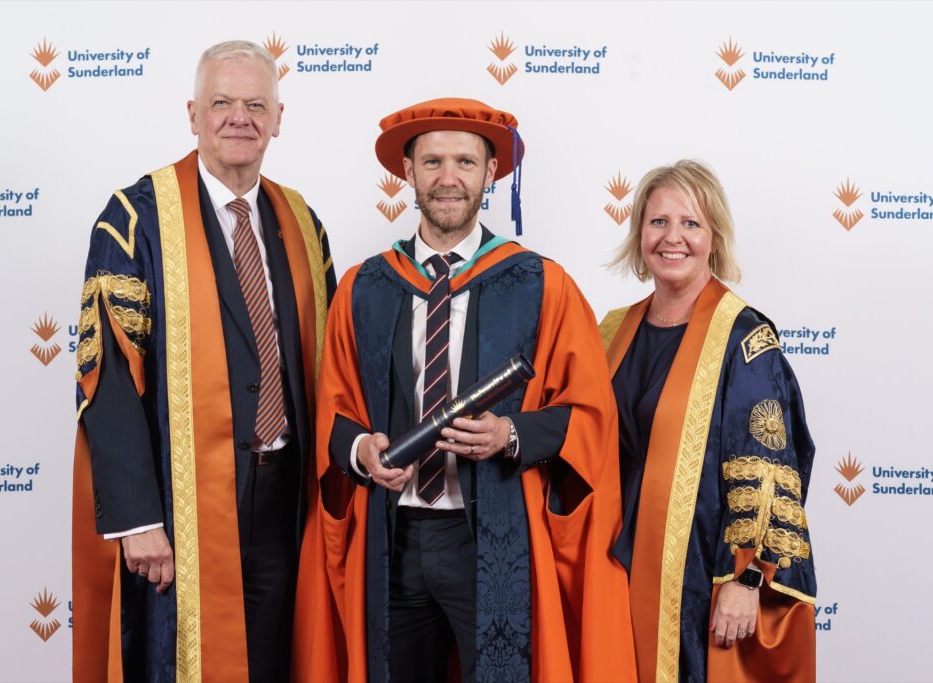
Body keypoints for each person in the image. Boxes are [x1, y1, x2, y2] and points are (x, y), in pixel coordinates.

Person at [292, 98, 636, 683]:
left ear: (491, 174)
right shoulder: (364, 287)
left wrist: (511, 433)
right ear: (407, 173)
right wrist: (360, 452)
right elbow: (334, 409)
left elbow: (590, 417)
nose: (447, 178)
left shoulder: (541, 285)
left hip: (491, 538)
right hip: (393, 537)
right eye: (431, 162)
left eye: (465, 163)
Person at [71, 40, 335, 682]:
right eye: (221, 103)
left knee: (279, 659)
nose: (238, 118)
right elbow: (106, 376)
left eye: (255, 104)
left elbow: (325, 366)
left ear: (279, 118)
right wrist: (137, 519)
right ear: (193, 114)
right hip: (179, 501)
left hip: (286, 495)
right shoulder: (135, 217)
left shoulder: (301, 220)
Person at [600, 160, 817, 682]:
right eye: (658, 223)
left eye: (691, 224)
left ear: (714, 237)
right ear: (639, 235)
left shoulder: (744, 340)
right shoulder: (613, 331)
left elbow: (770, 466)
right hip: (616, 564)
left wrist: (747, 580)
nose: (673, 238)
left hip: (698, 571)